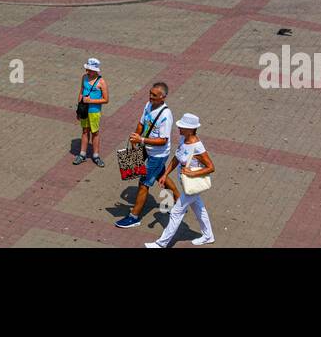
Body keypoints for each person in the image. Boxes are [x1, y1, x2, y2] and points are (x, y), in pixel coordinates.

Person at [145, 113, 215, 248]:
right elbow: (177, 158)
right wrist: (165, 175)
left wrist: (192, 173)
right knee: (199, 208)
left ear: (191, 129)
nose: (179, 129)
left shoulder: (198, 147)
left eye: (182, 127)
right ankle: (208, 236)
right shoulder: (184, 139)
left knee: (176, 212)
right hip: (186, 183)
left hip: (192, 184)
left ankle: (161, 244)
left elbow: (211, 167)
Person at [114, 82, 177, 228]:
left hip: (158, 154)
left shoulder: (166, 115)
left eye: (154, 95)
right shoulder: (148, 105)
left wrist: (141, 139)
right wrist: (136, 137)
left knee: (144, 184)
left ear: (163, 97)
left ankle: (134, 217)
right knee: (161, 175)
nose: (150, 97)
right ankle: (180, 202)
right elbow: (141, 123)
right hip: (146, 148)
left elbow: (163, 140)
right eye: (150, 93)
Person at [74, 58, 109, 167]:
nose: (87, 72)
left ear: (95, 70)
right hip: (84, 110)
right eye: (87, 69)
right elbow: (81, 92)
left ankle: (96, 155)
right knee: (85, 131)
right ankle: (82, 154)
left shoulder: (101, 82)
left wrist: (91, 101)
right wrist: (78, 109)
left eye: (89, 70)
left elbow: (106, 99)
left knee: (95, 133)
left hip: (94, 112)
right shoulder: (84, 78)